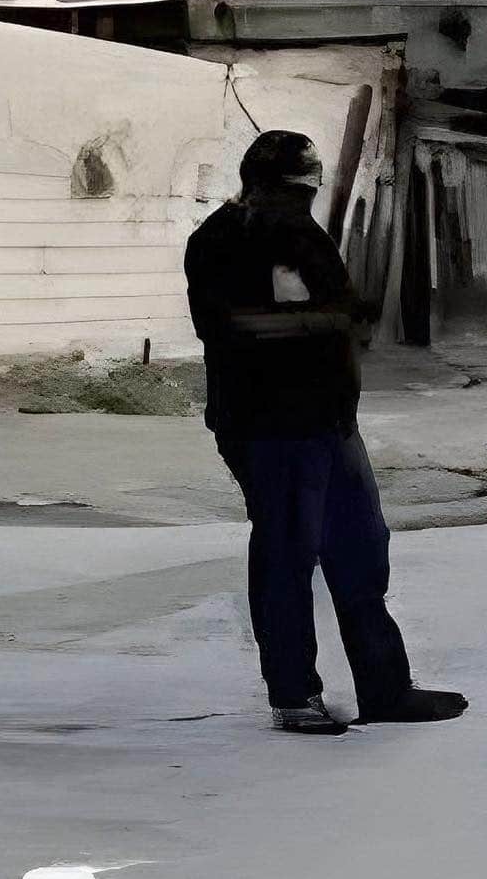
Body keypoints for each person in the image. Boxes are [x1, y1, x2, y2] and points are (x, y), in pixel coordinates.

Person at [185, 131, 467, 736]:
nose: (301, 203)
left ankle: (386, 688)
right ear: (259, 184)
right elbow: (228, 328)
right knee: (288, 556)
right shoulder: (221, 241)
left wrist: (339, 316)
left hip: (330, 422)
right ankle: (294, 695)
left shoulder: (303, 237)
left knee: (362, 552)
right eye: (292, 191)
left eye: (306, 194)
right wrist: (319, 318)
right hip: (269, 428)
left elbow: (334, 315)